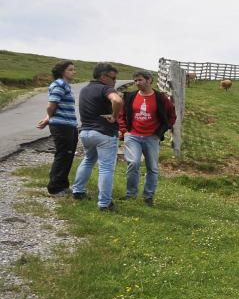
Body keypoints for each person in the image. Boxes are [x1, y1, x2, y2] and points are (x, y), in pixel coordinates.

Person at [117, 70, 175, 206]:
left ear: (149, 80)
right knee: (133, 163)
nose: (137, 83)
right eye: (135, 80)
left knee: (152, 168)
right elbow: (121, 115)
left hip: (152, 138)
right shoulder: (130, 97)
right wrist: (125, 131)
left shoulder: (161, 98)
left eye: (140, 80)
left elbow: (171, 116)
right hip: (133, 136)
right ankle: (130, 194)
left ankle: (148, 197)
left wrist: (159, 132)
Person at [71, 63, 123, 211]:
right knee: (106, 168)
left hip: (86, 133)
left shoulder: (85, 89)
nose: (115, 81)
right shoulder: (105, 88)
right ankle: (104, 203)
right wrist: (114, 116)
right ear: (103, 76)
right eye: (113, 78)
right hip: (104, 133)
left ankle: (78, 191)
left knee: (88, 160)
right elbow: (117, 100)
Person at [36, 60, 79, 195]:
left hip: (69, 124)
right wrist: (50, 117)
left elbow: (56, 106)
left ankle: (63, 185)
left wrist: (47, 119)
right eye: (70, 69)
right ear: (62, 72)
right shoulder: (59, 85)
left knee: (68, 155)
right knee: (63, 155)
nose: (74, 72)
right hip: (62, 126)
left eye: (74, 69)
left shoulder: (66, 85)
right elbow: (51, 105)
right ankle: (55, 188)